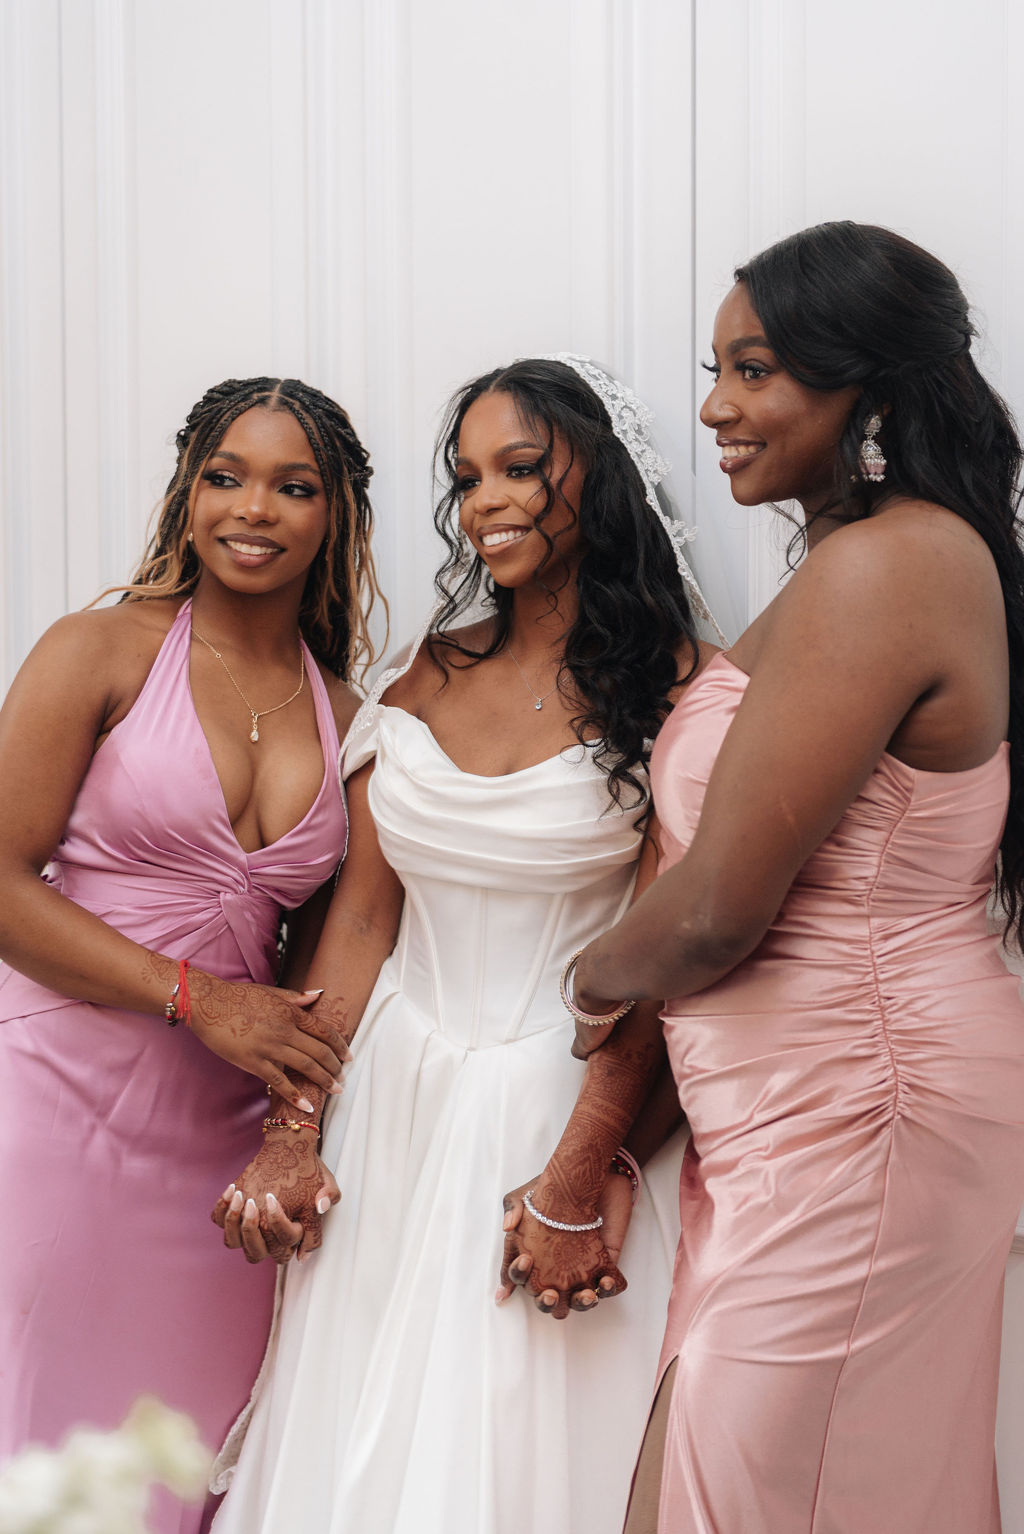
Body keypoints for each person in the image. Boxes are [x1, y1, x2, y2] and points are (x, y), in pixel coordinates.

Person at [501, 223, 1024, 1534]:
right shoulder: (869, 560)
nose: (714, 406)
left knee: (735, 1493)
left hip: (863, 1103)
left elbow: (721, 903)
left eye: (755, 370)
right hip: (798, 1114)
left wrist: (581, 980)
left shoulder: (889, 564)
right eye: (713, 366)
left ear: (870, 390)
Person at [208, 356, 722, 1534]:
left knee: (518, 1446)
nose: (485, 500)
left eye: (521, 468)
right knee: (359, 1441)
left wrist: (580, 1172)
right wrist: (296, 1132)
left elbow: (664, 964)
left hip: (555, 1111)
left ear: (600, 476)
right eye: (468, 476)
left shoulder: (684, 693)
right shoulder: (434, 669)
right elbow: (363, 922)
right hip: (389, 1100)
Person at [0, 376, 382, 1534]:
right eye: (226, 476)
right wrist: (195, 994)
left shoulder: (346, 709)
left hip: (219, 1149)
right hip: (52, 1104)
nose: (251, 509)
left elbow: (323, 965)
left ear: (336, 516)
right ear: (187, 492)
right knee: (32, 1430)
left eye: (292, 485)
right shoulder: (101, 648)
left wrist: (292, 1127)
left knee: (173, 1467)